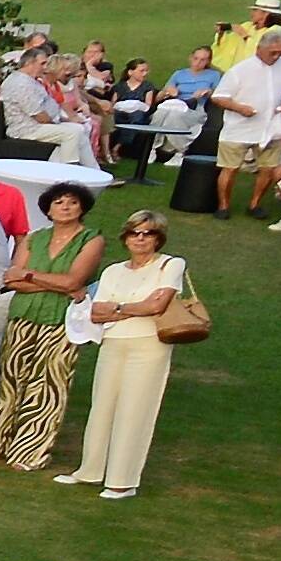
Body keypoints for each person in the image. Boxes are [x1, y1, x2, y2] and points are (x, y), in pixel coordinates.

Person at [69, 206, 193, 500]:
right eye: (134, 233)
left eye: (148, 233)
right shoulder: (113, 271)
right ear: (126, 237)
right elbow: (96, 313)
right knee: (102, 406)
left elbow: (157, 306)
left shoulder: (171, 265)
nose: (140, 239)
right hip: (113, 342)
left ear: (158, 238)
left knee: (135, 409)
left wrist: (118, 308)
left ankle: (123, 481)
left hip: (149, 343)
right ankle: (90, 470)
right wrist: (133, 308)